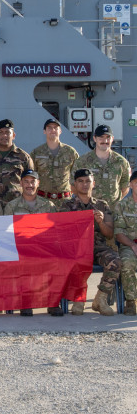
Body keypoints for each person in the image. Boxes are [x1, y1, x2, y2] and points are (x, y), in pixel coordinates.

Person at [60, 169, 121, 316]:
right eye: (80, 181)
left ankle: (100, 298)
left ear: (93, 184)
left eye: (87, 181)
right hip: (77, 249)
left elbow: (109, 233)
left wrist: (100, 222)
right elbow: (62, 233)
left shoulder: (102, 205)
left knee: (115, 261)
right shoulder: (66, 206)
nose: (84, 184)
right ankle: (78, 299)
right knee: (75, 262)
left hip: (98, 247)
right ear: (74, 185)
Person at [4, 169, 58, 316]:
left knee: (57, 261)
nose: (29, 185)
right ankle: (26, 301)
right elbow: (6, 233)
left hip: (44, 249)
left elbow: (54, 232)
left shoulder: (49, 206)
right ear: (21, 183)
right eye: (26, 182)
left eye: (33, 181)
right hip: (20, 249)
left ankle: (53, 302)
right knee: (24, 262)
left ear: (38, 183)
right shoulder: (12, 207)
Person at [72, 124, 131, 209]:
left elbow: (125, 187)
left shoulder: (121, 162)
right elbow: (73, 185)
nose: (105, 140)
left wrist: (112, 202)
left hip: (112, 212)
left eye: (108, 137)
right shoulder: (82, 162)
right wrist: (85, 202)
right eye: (101, 137)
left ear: (112, 139)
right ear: (94, 138)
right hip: (89, 210)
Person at [0, 119, 34, 208]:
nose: (4, 135)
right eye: (0, 132)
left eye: (8, 132)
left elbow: (31, 183)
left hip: (16, 206)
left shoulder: (23, 157)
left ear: (14, 135)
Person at [30, 118, 78, 206]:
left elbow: (78, 176)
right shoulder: (36, 153)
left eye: (55, 128)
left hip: (65, 202)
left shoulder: (70, 152)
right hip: (42, 201)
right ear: (44, 131)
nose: (53, 130)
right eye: (49, 128)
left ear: (60, 131)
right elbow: (31, 176)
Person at [114, 170, 137, 316]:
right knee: (127, 261)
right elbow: (119, 233)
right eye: (136, 183)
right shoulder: (122, 206)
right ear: (130, 185)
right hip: (129, 245)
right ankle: (131, 300)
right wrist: (133, 245)